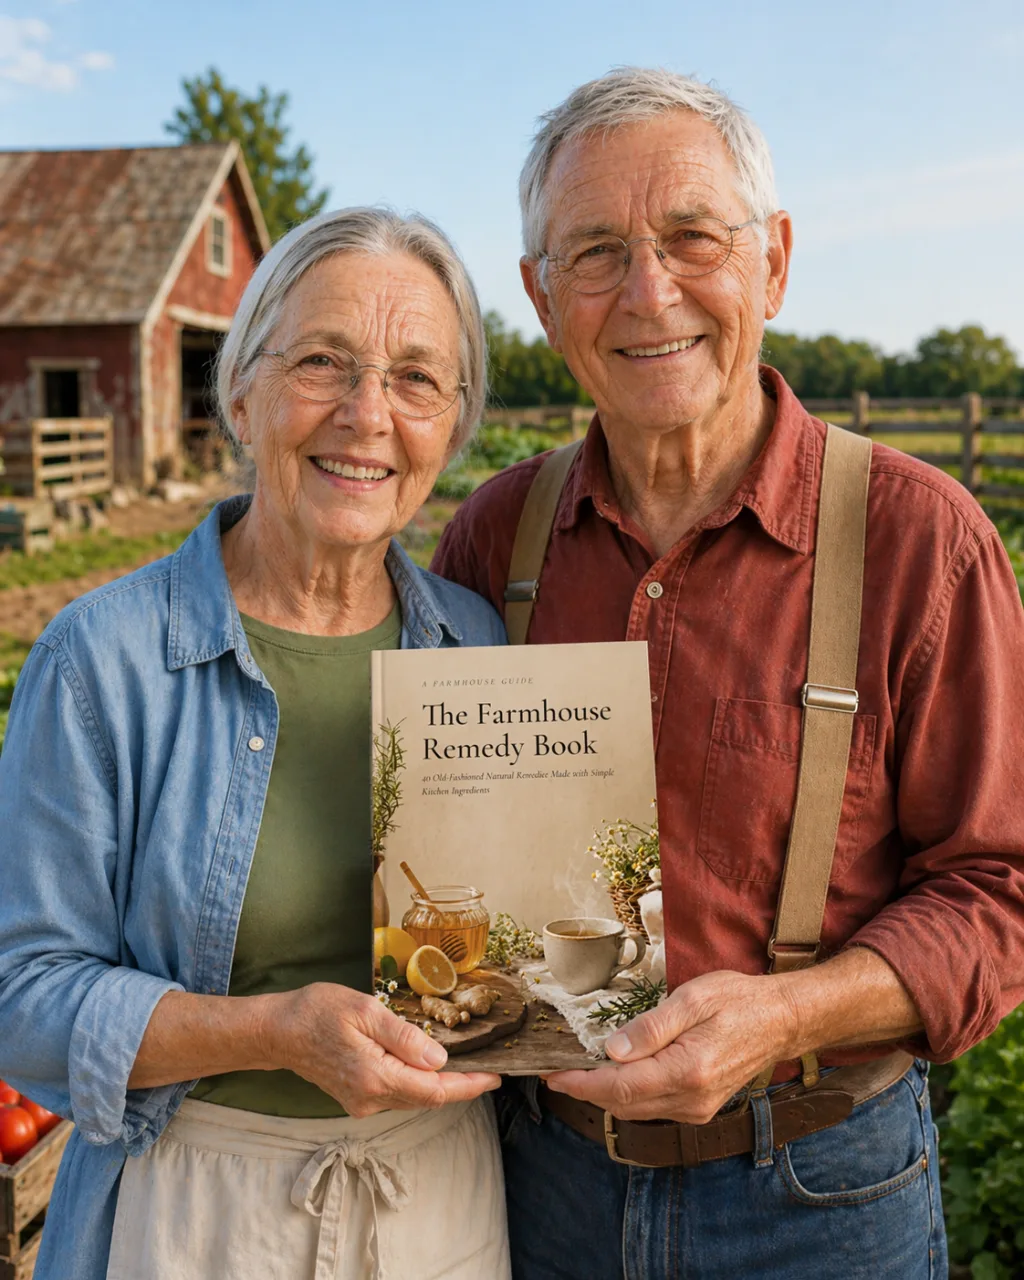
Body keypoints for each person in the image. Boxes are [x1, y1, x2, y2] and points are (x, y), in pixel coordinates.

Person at [432, 68, 1024, 1277]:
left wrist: (785, 1014)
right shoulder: (495, 538)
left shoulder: (921, 538)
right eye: (594, 251)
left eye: (692, 236)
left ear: (775, 260)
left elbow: (1001, 889)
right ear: (544, 299)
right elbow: (437, 845)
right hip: (538, 1180)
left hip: (819, 1192)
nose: (648, 292)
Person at [0, 208, 512, 1280]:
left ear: (454, 423)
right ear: (240, 389)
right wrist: (272, 1030)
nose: (368, 413)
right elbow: (21, 997)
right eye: (323, 361)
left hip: (442, 1196)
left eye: (417, 378)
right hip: (195, 1206)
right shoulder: (102, 660)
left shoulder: (477, 642)